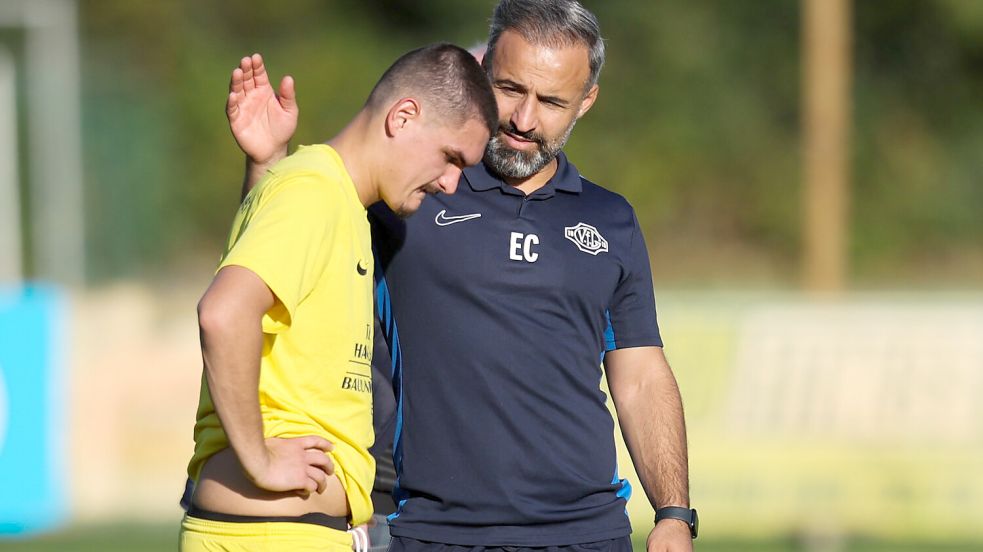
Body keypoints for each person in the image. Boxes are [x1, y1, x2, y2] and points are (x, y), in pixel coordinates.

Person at [229, 1, 695, 550]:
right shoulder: (410, 189)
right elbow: (272, 269)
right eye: (511, 89)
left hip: (586, 533)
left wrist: (673, 512)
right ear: (482, 70)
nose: (524, 120)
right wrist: (266, 163)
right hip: (429, 531)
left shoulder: (611, 220)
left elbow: (640, 375)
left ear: (586, 101)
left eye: (551, 102)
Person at [181, 43, 496, 552]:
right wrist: (259, 458)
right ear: (404, 116)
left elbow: (272, 324)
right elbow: (223, 313)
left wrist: (264, 167)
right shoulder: (315, 192)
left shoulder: (331, 199)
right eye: (451, 157)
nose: (452, 183)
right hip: (273, 536)